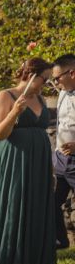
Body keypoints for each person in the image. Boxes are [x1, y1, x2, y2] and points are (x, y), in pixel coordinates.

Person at [0, 57, 56, 264]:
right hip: (12, 160)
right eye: (45, 79)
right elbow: (0, 133)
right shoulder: (6, 96)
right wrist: (14, 112)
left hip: (37, 163)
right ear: (31, 76)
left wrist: (49, 170)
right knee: (13, 206)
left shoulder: (40, 98)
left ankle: (33, 263)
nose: (47, 85)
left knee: (34, 207)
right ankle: (8, 263)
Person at [51, 54, 75, 250]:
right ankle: (61, 240)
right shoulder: (62, 93)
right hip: (60, 160)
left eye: (58, 78)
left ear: (72, 73)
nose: (55, 82)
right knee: (50, 202)